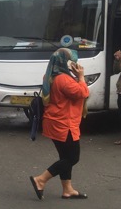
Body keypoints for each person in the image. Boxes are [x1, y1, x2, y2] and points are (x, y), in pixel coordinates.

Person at [29, 48, 89, 200]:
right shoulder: (63, 79)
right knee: (73, 158)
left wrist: (76, 76)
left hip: (55, 120)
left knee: (64, 156)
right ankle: (40, 180)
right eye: (72, 61)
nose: (74, 64)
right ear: (64, 62)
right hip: (64, 123)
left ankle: (67, 189)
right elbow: (82, 93)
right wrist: (81, 77)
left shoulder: (51, 76)